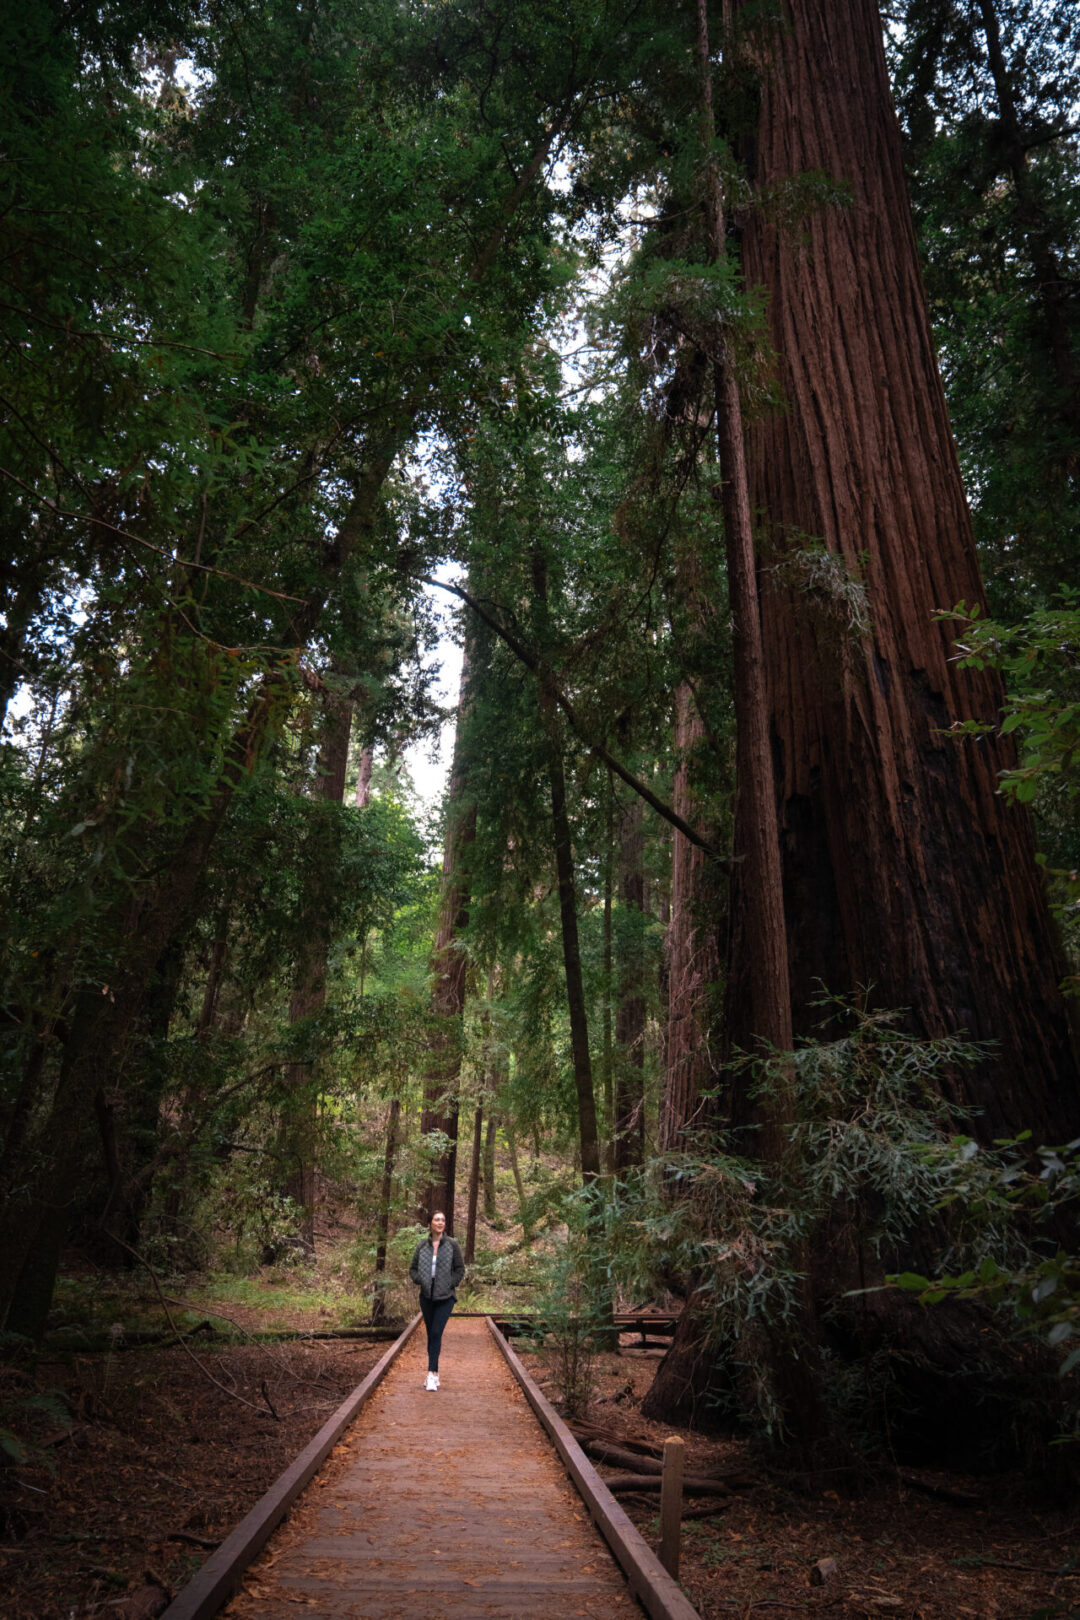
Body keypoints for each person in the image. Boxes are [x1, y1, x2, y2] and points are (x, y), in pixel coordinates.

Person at [408, 1210, 465, 1391]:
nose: (440, 1222)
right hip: (426, 1297)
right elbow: (413, 1269)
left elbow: (459, 1269)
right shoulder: (422, 1246)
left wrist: (450, 1283)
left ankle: (431, 1374)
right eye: (437, 1219)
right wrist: (421, 1280)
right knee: (431, 1334)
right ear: (430, 1224)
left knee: (435, 1333)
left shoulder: (452, 1245)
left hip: (445, 1297)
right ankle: (435, 1373)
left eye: (443, 1220)